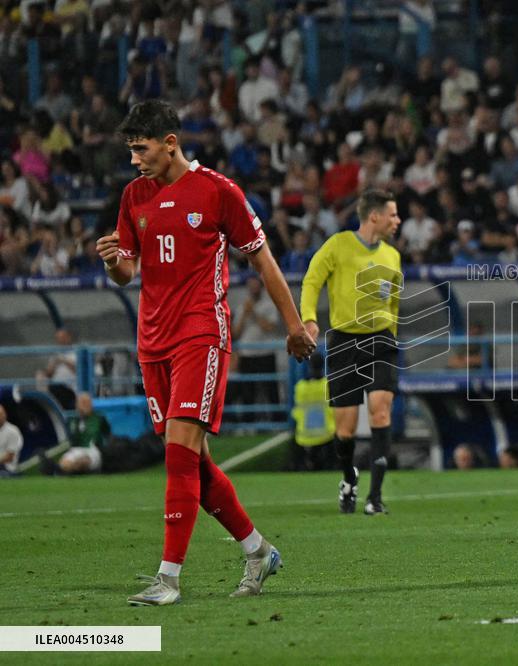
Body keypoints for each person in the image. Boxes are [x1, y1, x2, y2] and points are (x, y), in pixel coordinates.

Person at [95, 100, 316, 606]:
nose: (134, 159)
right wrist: (111, 262)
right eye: (131, 150)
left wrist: (293, 326)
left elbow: (263, 261)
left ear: (170, 143)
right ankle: (258, 551)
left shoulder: (217, 191)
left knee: (178, 454)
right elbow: (127, 271)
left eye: (141, 149)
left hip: (201, 333)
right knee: (192, 462)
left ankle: (168, 579)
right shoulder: (134, 195)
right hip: (152, 341)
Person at [300, 189, 402, 516]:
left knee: (380, 411)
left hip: (381, 341)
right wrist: (309, 318)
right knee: (344, 430)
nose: (397, 221)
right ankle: (349, 478)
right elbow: (312, 280)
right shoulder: (338, 245)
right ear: (374, 216)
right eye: (393, 214)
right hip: (345, 343)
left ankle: (375, 498)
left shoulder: (392, 256)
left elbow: (394, 302)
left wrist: (392, 334)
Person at [232, 276, 281, 424]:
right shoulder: (242, 307)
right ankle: (249, 422)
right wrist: (244, 315)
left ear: (261, 287)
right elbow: (235, 333)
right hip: (247, 354)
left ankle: (277, 421)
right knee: (247, 390)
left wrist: (253, 313)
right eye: (250, 285)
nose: (253, 288)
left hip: (266, 353)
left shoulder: (269, 305)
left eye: (255, 285)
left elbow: (270, 327)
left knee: (271, 389)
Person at [56, 392, 111, 474]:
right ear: (77, 405)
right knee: (64, 463)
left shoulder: (99, 418)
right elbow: (69, 439)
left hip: (92, 451)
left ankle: (73, 470)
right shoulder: (72, 420)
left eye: (86, 403)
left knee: (83, 462)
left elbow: (108, 434)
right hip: (76, 450)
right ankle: (70, 469)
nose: (84, 406)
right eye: (81, 403)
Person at [0, 405, 23, 478]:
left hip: (7, 468)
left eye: (1, 414)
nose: (1, 417)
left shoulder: (12, 431)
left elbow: (10, 457)